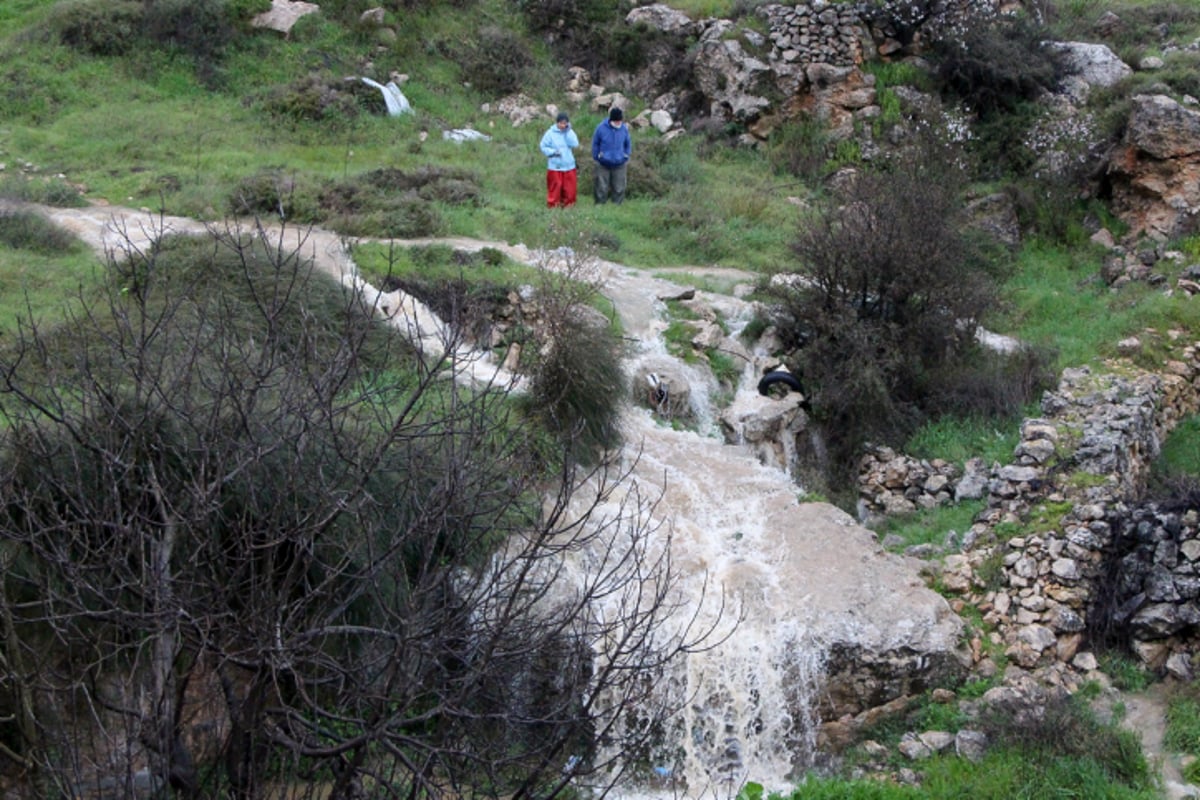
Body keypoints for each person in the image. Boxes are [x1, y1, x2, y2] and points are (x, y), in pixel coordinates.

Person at [539, 112, 580, 208]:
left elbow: (575, 144)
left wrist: (568, 132)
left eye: (565, 123)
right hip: (555, 166)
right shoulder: (550, 133)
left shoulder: (570, 132)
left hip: (569, 165)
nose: (562, 125)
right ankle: (553, 206)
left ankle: (569, 206)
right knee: (555, 187)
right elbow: (543, 146)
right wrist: (553, 152)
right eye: (561, 123)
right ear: (557, 123)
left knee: (570, 189)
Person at [591, 107, 631, 205]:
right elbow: (595, 143)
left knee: (619, 187)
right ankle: (599, 205)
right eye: (616, 121)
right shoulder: (600, 128)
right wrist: (597, 156)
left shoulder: (624, 129)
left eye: (620, 121)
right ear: (611, 120)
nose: (618, 123)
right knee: (601, 186)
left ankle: (617, 206)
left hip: (620, 163)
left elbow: (628, 143)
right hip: (603, 163)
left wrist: (625, 155)